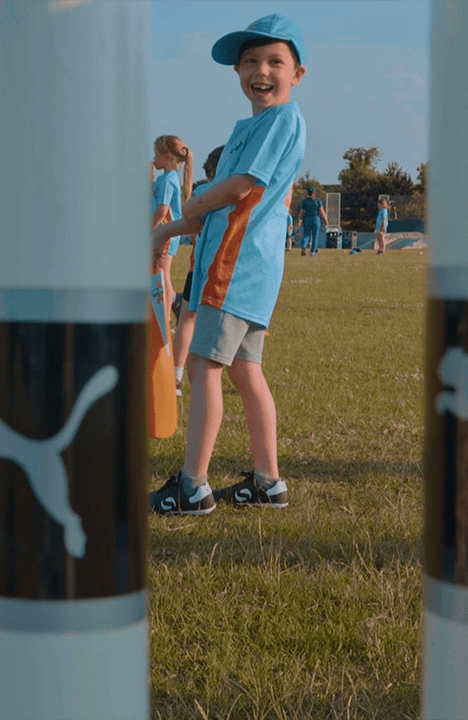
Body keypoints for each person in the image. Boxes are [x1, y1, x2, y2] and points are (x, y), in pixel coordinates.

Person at [148, 14, 307, 515]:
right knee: (245, 369)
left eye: (274, 61)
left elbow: (239, 188)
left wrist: (190, 205)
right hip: (245, 267)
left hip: (233, 267)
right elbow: (220, 212)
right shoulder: (257, 124)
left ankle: (193, 486)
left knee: (202, 366)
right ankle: (268, 482)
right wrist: (166, 232)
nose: (261, 70)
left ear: (297, 73)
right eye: (250, 62)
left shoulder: (281, 119)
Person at [173, 145, 222, 397]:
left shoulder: (204, 191)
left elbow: (188, 216)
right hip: (227, 272)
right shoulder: (238, 191)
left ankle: (177, 378)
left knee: (186, 320)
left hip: (199, 268)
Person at [151, 135, 195, 318]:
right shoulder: (165, 178)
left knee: (163, 274)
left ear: (168, 156)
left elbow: (163, 210)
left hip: (166, 235)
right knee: (158, 272)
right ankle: (164, 311)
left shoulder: (169, 179)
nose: (154, 158)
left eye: (156, 154)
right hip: (163, 233)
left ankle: (167, 315)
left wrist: (148, 229)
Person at [298, 186, 328, 256]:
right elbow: (322, 212)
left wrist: (299, 220)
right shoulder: (318, 201)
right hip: (315, 218)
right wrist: (326, 220)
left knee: (306, 235)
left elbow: (301, 212)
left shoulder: (304, 201)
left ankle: (304, 246)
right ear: (314, 193)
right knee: (315, 236)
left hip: (307, 219)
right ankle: (313, 252)